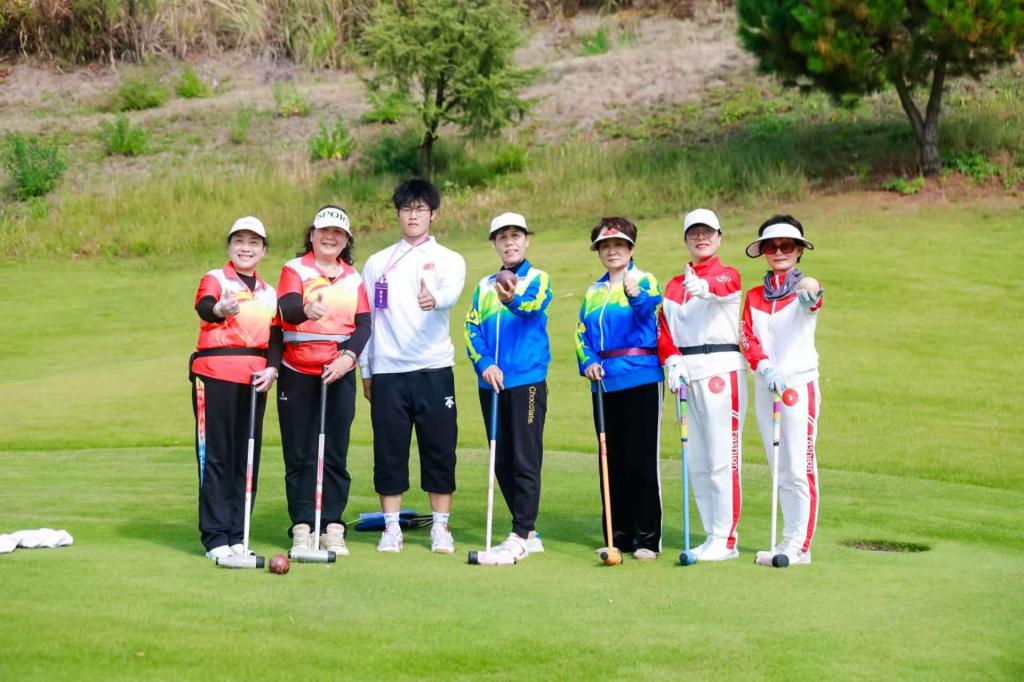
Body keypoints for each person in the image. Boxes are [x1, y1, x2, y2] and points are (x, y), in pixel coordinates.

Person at [359, 179, 467, 554]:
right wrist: (366, 371)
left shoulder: (450, 259)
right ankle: (391, 528)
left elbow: (450, 294)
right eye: (407, 209)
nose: (413, 215)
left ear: (432, 214)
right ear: (398, 214)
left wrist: (433, 297)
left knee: (440, 449)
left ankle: (440, 527)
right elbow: (367, 321)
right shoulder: (377, 263)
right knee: (389, 451)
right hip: (388, 370)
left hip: (433, 368)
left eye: (421, 209)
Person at [276, 206, 370, 557]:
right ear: (312, 235)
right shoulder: (294, 269)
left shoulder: (354, 278)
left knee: (334, 452)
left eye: (338, 233)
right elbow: (287, 308)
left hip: (338, 372)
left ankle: (332, 525)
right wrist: (306, 310)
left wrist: (348, 359)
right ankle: (303, 526)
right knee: (299, 452)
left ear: (346, 240)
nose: (330, 237)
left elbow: (364, 325)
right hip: (297, 372)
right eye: (324, 231)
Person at [657, 208, 747, 562]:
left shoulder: (727, 273)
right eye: (694, 232)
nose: (701, 238)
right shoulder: (673, 285)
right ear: (685, 239)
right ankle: (711, 534)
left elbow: (724, 286)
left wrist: (705, 286)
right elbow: (664, 329)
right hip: (686, 373)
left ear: (719, 237)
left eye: (708, 232)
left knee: (721, 458)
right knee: (696, 459)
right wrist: (671, 359)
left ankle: (726, 538)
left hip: (720, 370)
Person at [190, 216, 281, 561]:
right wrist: (220, 308)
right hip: (215, 375)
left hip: (255, 380)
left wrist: (273, 368)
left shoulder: (268, 292)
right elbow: (205, 307)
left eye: (254, 243)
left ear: (263, 250)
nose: (246, 248)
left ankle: (238, 534)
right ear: (229, 246)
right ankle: (216, 538)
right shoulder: (216, 278)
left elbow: (276, 336)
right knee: (217, 456)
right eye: (239, 241)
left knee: (247, 458)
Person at [464, 212, 552, 560]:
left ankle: (520, 532)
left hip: (526, 381)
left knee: (524, 458)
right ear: (495, 244)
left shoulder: (538, 278)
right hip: (491, 383)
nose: (510, 242)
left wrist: (511, 299)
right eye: (502, 237)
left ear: (526, 240)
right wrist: (485, 363)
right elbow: (471, 329)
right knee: (500, 461)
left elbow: (532, 307)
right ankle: (528, 533)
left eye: (516, 235)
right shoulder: (483, 286)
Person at [575, 217, 664, 560]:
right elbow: (581, 333)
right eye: (605, 246)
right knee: (611, 460)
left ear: (631, 248)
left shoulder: (644, 280)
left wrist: (634, 293)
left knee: (641, 458)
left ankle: (647, 538)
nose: (612, 251)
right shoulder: (593, 292)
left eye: (619, 245)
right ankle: (618, 536)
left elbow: (648, 307)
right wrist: (587, 361)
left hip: (641, 377)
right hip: (604, 382)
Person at [741, 214, 824, 566]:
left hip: (797, 386)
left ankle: (800, 545)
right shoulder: (754, 296)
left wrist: (810, 291)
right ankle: (788, 539)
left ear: (799, 250)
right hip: (766, 384)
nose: (779, 251)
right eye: (771, 246)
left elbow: (812, 298)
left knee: (799, 465)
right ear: (763, 251)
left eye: (786, 245)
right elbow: (747, 337)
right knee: (778, 466)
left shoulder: (804, 287)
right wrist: (764, 367)